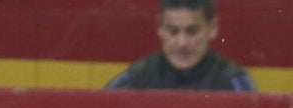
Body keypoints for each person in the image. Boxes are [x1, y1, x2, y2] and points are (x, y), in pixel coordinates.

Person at [105, 0, 256, 92]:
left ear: (212, 28)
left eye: (192, 31)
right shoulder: (136, 77)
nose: (182, 43)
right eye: (173, 31)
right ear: (159, 27)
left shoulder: (234, 82)